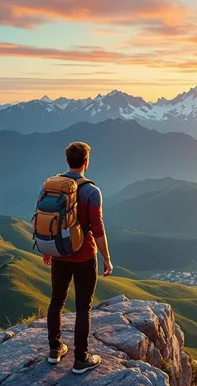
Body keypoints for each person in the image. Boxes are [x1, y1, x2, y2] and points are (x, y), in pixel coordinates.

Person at [42, 141, 113, 373]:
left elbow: (45, 217)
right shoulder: (92, 191)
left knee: (56, 301)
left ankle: (55, 350)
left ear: (67, 161)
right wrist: (106, 258)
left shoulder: (51, 185)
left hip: (59, 254)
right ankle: (80, 359)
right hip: (83, 256)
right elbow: (98, 227)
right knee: (83, 306)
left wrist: (48, 248)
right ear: (86, 162)